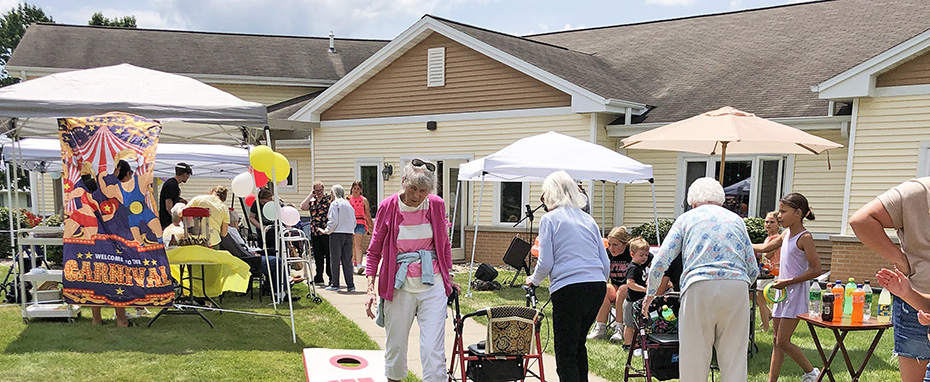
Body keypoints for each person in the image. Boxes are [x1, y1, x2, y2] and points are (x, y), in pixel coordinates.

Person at [642, 177, 759, 382]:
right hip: (736, 285)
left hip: (698, 285)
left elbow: (661, 260)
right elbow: (752, 267)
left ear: (692, 202)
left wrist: (651, 293)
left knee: (694, 359)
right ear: (721, 201)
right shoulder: (736, 220)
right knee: (734, 360)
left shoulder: (687, 218)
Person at [363, 158, 460, 382]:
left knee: (432, 350)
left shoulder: (436, 204)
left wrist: (449, 277)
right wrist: (370, 289)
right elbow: (374, 251)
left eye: (423, 191)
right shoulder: (389, 206)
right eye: (413, 188)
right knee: (395, 346)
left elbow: (444, 245)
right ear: (403, 181)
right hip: (399, 286)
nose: (417, 195)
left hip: (432, 284)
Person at [525, 170, 609, 382]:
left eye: (543, 195)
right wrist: (599, 281)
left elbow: (546, 262)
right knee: (578, 344)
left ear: (550, 194)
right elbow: (604, 261)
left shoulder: (549, 220)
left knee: (565, 352)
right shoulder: (588, 220)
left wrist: (533, 280)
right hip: (596, 286)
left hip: (569, 288)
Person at [850, 177, 930, 382]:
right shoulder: (916, 191)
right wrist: (900, 260)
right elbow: (861, 220)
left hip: (914, 299)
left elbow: (861, 220)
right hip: (916, 301)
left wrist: (901, 261)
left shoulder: (916, 190)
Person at [752, 193, 821, 382]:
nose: (779, 216)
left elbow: (816, 269)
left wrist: (788, 282)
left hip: (795, 293)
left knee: (782, 340)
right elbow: (766, 248)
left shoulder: (805, 237)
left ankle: (812, 373)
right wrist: (745, 244)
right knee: (776, 342)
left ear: (798, 213)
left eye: (783, 211)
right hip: (782, 292)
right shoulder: (786, 234)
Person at [588, 226, 632, 341]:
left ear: (624, 243)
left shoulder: (631, 252)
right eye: (609, 244)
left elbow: (648, 260)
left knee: (622, 290)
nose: (611, 248)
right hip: (615, 286)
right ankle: (600, 327)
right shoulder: (607, 253)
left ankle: (619, 328)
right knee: (605, 288)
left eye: (615, 245)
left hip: (630, 287)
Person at [320, 184, 355, 292]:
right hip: (349, 233)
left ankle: (335, 283)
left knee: (335, 259)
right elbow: (354, 221)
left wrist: (327, 230)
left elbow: (333, 220)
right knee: (347, 260)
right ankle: (350, 285)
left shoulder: (335, 204)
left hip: (337, 233)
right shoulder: (348, 204)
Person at [622, 237, 651, 351]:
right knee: (629, 325)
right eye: (641, 255)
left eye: (646, 255)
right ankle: (628, 344)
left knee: (639, 324)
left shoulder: (642, 266)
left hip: (639, 301)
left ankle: (637, 342)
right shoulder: (633, 268)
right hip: (631, 301)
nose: (644, 257)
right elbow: (630, 284)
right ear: (632, 254)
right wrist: (644, 289)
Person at [301, 181, 332, 286]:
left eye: (321, 190)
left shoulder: (328, 200)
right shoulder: (312, 201)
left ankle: (331, 277)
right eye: (317, 190)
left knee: (328, 256)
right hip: (315, 232)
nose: (319, 192)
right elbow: (303, 207)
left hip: (326, 232)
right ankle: (319, 277)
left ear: (323, 189)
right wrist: (311, 195)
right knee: (318, 256)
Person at [755, 211, 781, 332]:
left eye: (772, 222)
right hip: (767, 271)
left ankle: (765, 327)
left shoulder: (776, 238)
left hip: (774, 272)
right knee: (755, 295)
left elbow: (768, 254)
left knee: (760, 297)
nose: (768, 224)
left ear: (778, 224)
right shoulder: (768, 237)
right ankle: (769, 313)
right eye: (766, 222)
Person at [349, 180, 374, 274]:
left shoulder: (363, 200)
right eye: (354, 188)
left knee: (358, 245)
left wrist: (371, 225)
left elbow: (367, 214)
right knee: (351, 245)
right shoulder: (348, 199)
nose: (355, 190)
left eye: (358, 189)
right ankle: (350, 264)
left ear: (361, 190)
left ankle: (359, 265)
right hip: (350, 223)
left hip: (360, 223)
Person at [159, 162, 192, 229]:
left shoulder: (173, 184)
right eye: (188, 175)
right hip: (168, 223)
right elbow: (169, 207)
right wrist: (177, 220)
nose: (188, 177)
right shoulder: (172, 185)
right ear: (184, 174)